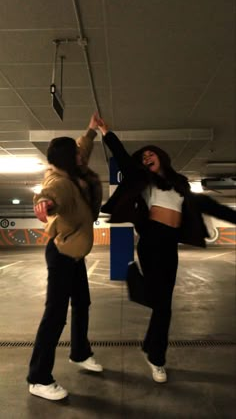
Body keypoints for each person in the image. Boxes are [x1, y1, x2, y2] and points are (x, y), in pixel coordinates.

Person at [95, 116, 236, 384]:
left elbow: (206, 205)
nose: (147, 157)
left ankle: (152, 349)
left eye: (152, 154)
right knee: (160, 303)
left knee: (164, 306)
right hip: (151, 240)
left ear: (161, 157)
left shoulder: (180, 184)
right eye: (144, 156)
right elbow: (124, 157)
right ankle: (157, 357)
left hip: (170, 243)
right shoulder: (142, 180)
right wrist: (105, 131)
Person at [27, 114, 103, 401]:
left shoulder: (72, 169)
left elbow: (82, 149)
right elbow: (50, 194)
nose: (80, 156)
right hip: (61, 253)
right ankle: (38, 378)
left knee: (82, 302)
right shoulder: (60, 180)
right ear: (67, 159)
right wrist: (43, 202)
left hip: (74, 253)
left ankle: (80, 353)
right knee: (55, 315)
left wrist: (91, 131)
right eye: (75, 154)